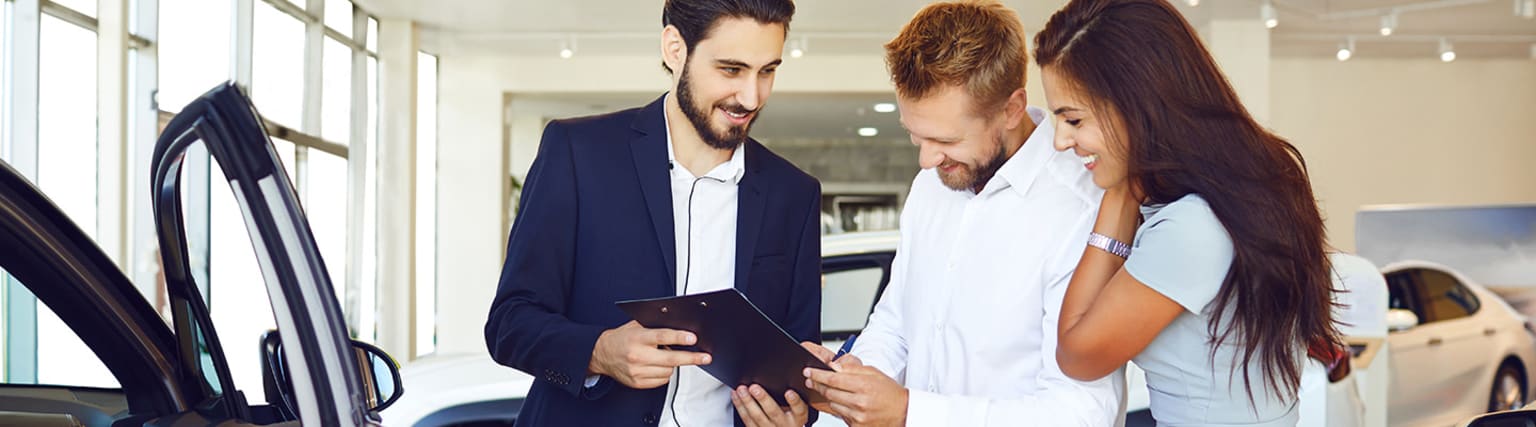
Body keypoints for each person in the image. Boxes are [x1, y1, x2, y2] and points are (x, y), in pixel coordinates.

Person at [482, 1, 823, 425]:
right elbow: (509, 325)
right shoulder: (578, 154)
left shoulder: (795, 194)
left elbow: (800, 362)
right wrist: (598, 352)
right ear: (675, 49)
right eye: (731, 70)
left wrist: (794, 416)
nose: (752, 96)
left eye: (768, 71)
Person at [801, 1, 1124, 425]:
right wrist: (854, 377)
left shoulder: (1084, 208)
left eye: (945, 139)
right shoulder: (930, 187)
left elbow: (1082, 412)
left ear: (1011, 109)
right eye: (915, 136)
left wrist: (909, 412)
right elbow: (896, 322)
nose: (927, 160)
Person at [1034, 0, 1343, 425]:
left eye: (1073, 120)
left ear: (1135, 105)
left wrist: (1119, 198)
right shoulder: (1255, 178)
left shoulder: (1191, 227)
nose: (1061, 141)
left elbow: (1076, 355)